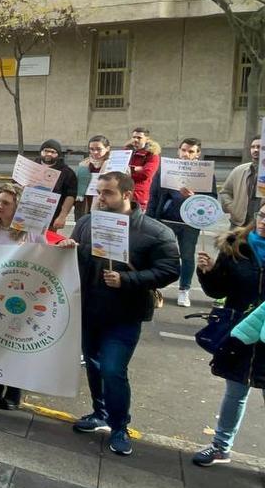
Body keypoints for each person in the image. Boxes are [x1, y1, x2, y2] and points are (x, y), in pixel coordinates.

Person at [66, 171, 179, 457]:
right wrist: (67, 249)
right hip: (90, 310)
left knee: (114, 370)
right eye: (99, 192)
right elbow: (77, 260)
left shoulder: (156, 232)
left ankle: (119, 427)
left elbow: (169, 270)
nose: (100, 198)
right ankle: (99, 412)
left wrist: (128, 279)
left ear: (127, 195)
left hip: (125, 314)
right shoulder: (86, 223)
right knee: (93, 365)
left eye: (107, 193)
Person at [190, 214, 265, 466]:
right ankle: (221, 447)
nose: (264, 221)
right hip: (239, 332)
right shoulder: (235, 245)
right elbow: (218, 291)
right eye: (263, 215)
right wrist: (207, 272)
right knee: (235, 392)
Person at [0, 184, 47, 410]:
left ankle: (14, 388)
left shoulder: (31, 232)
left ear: (18, 206)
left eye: (6, 202)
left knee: (15, 343)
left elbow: (48, 258)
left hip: (22, 298)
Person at [148, 138, 217, 307]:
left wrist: (196, 198)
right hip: (166, 220)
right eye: (184, 150)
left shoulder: (205, 173)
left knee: (187, 257)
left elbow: (212, 198)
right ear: (178, 151)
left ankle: (184, 289)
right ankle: (156, 288)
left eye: (191, 151)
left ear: (198, 154)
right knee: (162, 255)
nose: (186, 154)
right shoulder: (166, 168)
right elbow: (154, 195)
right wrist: (150, 218)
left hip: (189, 224)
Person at [220, 137, 261, 230]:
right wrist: (232, 208)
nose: (255, 150)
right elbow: (225, 192)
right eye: (253, 147)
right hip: (239, 224)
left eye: (260, 147)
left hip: (261, 226)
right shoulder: (239, 170)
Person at [37, 139, 78, 229]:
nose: (49, 154)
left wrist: (62, 216)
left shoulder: (67, 172)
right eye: (46, 151)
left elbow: (70, 195)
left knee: (46, 242)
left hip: (51, 218)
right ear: (41, 152)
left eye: (53, 152)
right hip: (26, 213)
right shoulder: (30, 166)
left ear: (58, 154)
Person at [76, 135, 111, 219]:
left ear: (107, 148)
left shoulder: (113, 164)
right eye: (92, 149)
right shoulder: (83, 164)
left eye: (99, 149)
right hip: (85, 204)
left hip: (106, 203)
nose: (95, 152)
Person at [127, 127, 161, 209]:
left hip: (139, 195)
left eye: (139, 137)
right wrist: (136, 169)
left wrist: (129, 171)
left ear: (147, 139)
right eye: (134, 137)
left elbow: (147, 174)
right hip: (123, 193)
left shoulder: (152, 154)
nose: (135, 140)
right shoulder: (126, 151)